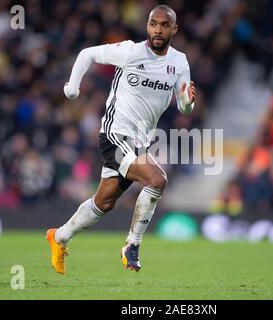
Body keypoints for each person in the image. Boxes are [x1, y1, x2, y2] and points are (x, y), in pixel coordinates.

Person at [46, 5, 196, 274]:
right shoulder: (130, 51)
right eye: (153, 24)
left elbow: (184, 106)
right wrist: (72, 87)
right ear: (147, 26)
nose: (157, 30)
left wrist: (187, 101)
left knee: (104, 202)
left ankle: (58, 237)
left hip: (139, 141)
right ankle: (132, 244)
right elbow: (87, 53)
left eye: (164, 25)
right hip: (115, 135)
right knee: (157, 180)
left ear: (174, 29)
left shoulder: (179, 62)